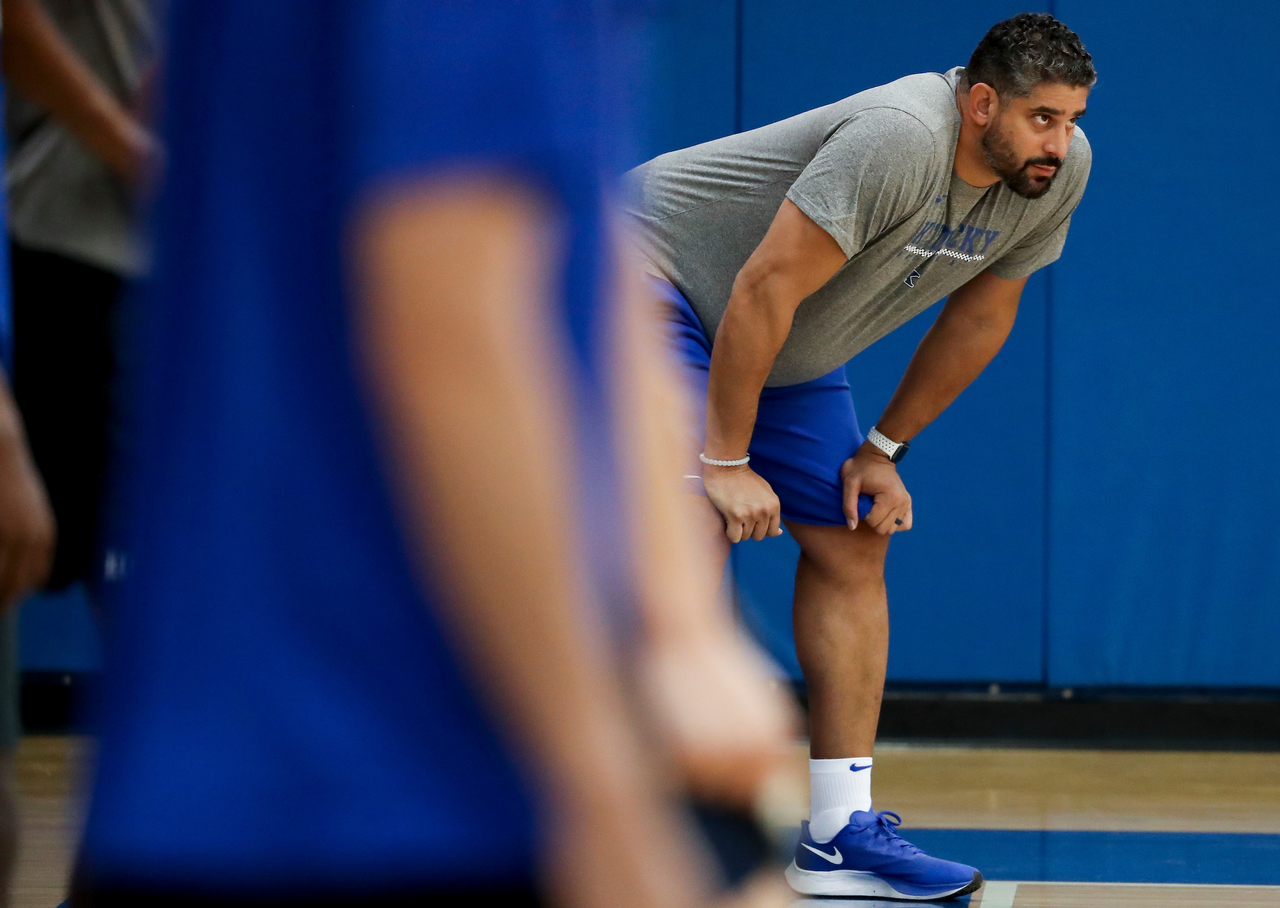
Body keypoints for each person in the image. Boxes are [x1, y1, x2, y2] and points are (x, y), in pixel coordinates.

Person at [71, 3, 793, 907]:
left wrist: (679, 625)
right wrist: (598, 792)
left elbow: (589, 250)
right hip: (398, 756)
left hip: (238, 742)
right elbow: (452, 324)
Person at [625, 12, 1095, 900]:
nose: (1060, 143)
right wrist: (722, 462)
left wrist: (883, 448)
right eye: (1043, 118)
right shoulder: (900, 137)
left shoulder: (1055, 173)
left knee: (852, 537)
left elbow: (983, 315)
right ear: (982, 103)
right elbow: (763, 284)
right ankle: (653, 823)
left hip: (780, 336)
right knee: (688, 524)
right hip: (649, 275)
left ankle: (838, 836)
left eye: (1072, 119)